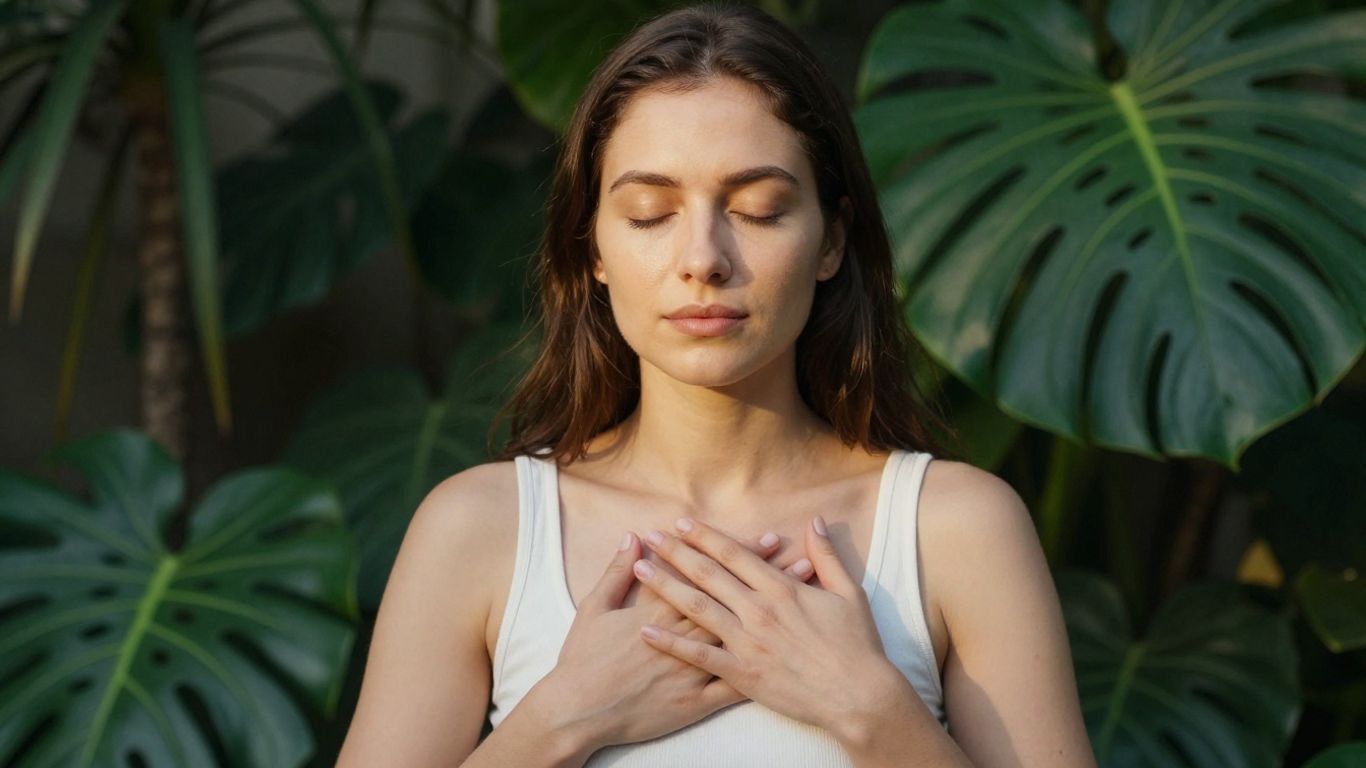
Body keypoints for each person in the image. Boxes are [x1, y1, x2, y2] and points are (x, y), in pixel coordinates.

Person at [337, 4, 1095, 766]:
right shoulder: (479, 530)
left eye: (758, 210)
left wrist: (871, 710)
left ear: (831, 240)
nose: (703, 258)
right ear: (592, 246)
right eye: (649, 214)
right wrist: (559, 721)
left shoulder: (955, 530)